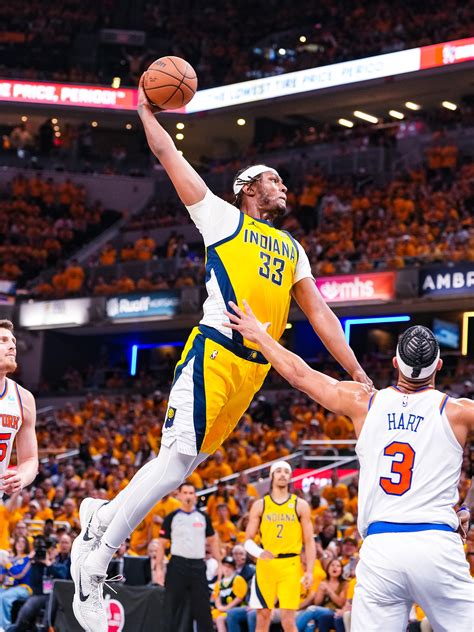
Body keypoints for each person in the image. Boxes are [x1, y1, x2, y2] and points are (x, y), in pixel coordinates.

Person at [71, 80, 370, 632]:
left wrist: (355, 370)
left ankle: (102, 515)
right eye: (274, 179)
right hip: (214, 352)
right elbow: (169, 155)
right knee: (174, 461)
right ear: (249, 188)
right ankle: (95, 560)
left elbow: (322, 314)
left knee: (183, 466)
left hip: (254, 370)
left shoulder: (293, 248)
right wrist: (146, 111)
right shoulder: (220, 217)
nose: (284, 186)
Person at [224, 308, 474, 631]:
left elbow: (300, 375)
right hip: (436, 543)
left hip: (381, 548)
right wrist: (467, 507)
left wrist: (260, 336)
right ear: (439, 366)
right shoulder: (459, 411)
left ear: (395, 363)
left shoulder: (364, 402)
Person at [245, 461, 316, 632]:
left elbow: (309, 541)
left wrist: (309, 571)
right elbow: (247, 540)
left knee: (288, 620)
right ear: (271, 476)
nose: (283, 474)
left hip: (290, 565)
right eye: (278, 471)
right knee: (262, 617)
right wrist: (259, 552)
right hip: (266, 565)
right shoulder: (260, 505)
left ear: (290, 477)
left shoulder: (300, 505)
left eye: (286, 471)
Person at [157, 482, 221, 632]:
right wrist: (159, 568)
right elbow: (161, 544)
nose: (188, 496)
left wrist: (219, 563)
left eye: (191, 493)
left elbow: (212, 541)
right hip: (177, 565)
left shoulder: (203, 517)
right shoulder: (171, 517)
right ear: (179, 495)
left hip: (198, 565)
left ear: (195, 496)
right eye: (185, 493)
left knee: (203, 608)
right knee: (170, 606)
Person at [0, 321, 38, 500]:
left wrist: (21, 477)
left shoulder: (24, 398)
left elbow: (30, 459)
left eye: (13, 341)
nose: (12, 346)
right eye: (3, 340)